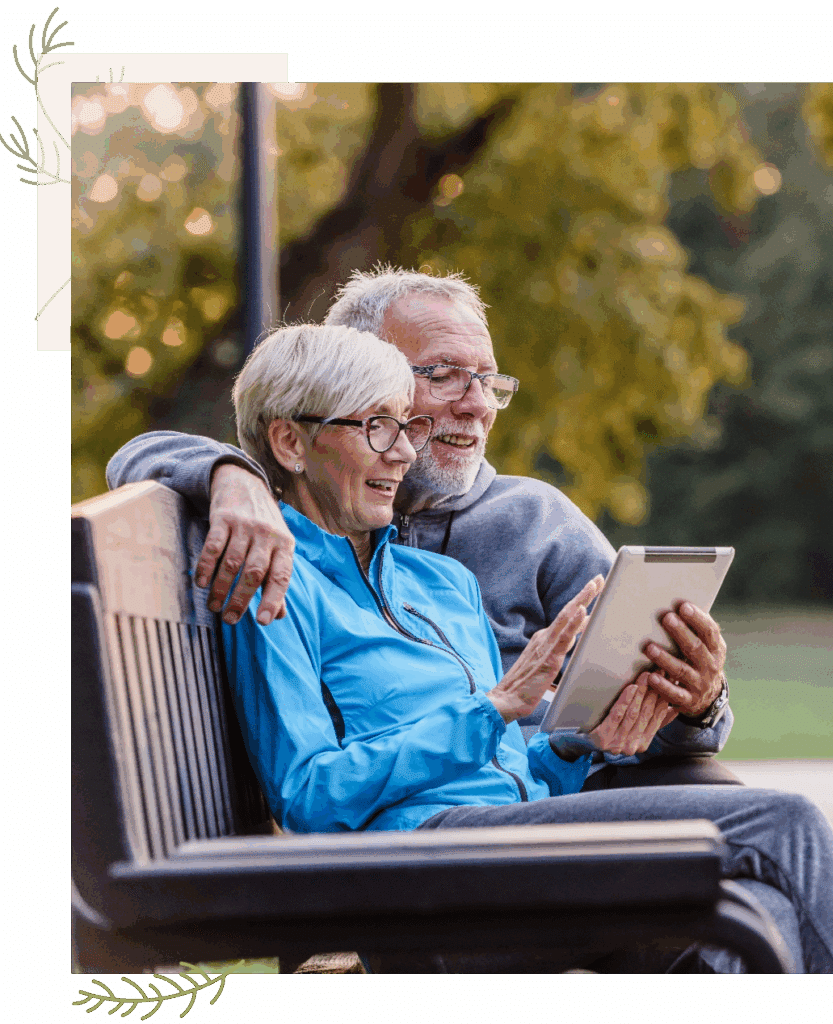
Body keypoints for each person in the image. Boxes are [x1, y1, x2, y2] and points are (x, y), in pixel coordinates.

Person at [216, 321, 833, 975]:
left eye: (405, 425)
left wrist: (575, 743)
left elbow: (510, 769)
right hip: (413, 880)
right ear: (289, 443)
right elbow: (307, 795)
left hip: (507, 850)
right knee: (780, 823)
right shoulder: (276, 583)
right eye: (375, 427)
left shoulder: (442, 584)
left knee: (758, 911)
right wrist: (490, 711)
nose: (402, 450)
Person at [107, 267, 739, 793]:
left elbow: (676, 725)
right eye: (442, 374)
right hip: (445, 834)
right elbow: (136, 455)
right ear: (357, 370)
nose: (477, 404)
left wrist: (699, 702)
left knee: (738, 828)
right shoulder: (289, 533)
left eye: (488, 381)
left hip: (559, 789)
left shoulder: (531, 523)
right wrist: (232, 474)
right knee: (759, 843)